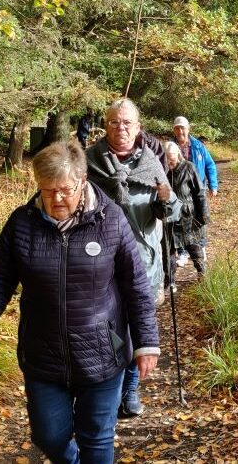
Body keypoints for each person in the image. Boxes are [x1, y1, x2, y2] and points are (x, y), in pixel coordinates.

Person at [0, 140, 160, 464]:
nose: (56, 199)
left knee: (98, 436)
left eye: (64, 190)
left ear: (83, 180)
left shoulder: (111, 220)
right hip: (43, 354)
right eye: (47, 190)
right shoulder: (22, 224)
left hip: (104, 350)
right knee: (49, 437)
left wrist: (146, 343)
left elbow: (137, 287)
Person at [85, 98, 181, 418]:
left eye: (127, 123)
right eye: (114, 122)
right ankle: (112, 388)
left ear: (138, 128)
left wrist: (167, 201)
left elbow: (172, 210)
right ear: (105, 124)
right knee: (109, 327)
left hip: (144, 260)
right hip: (100, 263)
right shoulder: (89, 163)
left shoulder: (152, 165)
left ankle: (131, 389)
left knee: (138, 325)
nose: (121, 128)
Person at [171, 116, 218, 266]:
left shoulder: (198, 146)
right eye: (177, 128)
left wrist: (213, 185)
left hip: (198, 188)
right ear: (174, 130)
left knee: (200, 217)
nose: (180, 131)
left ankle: (201, 246)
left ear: (188, 129)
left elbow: (210, 165)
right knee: (179, 221)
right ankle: (183, 252)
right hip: (178, 190)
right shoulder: (170, 147)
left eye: (182, 128)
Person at [163, 140, 209, 278]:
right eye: (166, 158)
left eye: (172, 158)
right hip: (168, 217)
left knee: (193, 246)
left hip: (187, 216)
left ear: (178, 155)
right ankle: (169, 281)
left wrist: (203, 215)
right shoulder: (161, 171)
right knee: (168, 249)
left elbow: (200, 192)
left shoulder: (189, 167)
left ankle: (202, 275)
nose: (170, 162)